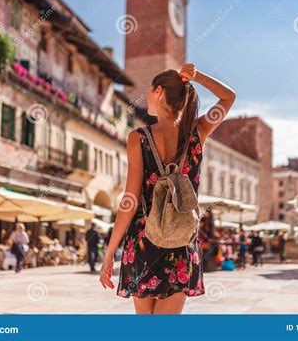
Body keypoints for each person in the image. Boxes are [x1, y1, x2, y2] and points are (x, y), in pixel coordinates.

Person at [100, 63, 236, 314]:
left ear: (159, 91)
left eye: (150, 91)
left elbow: (129, 200)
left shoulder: (139, 138)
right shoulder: (198, 132)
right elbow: (229, 97)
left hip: (143, 240)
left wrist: (110, 253)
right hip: (181, 240)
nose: (148, 97)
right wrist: (197, 76)